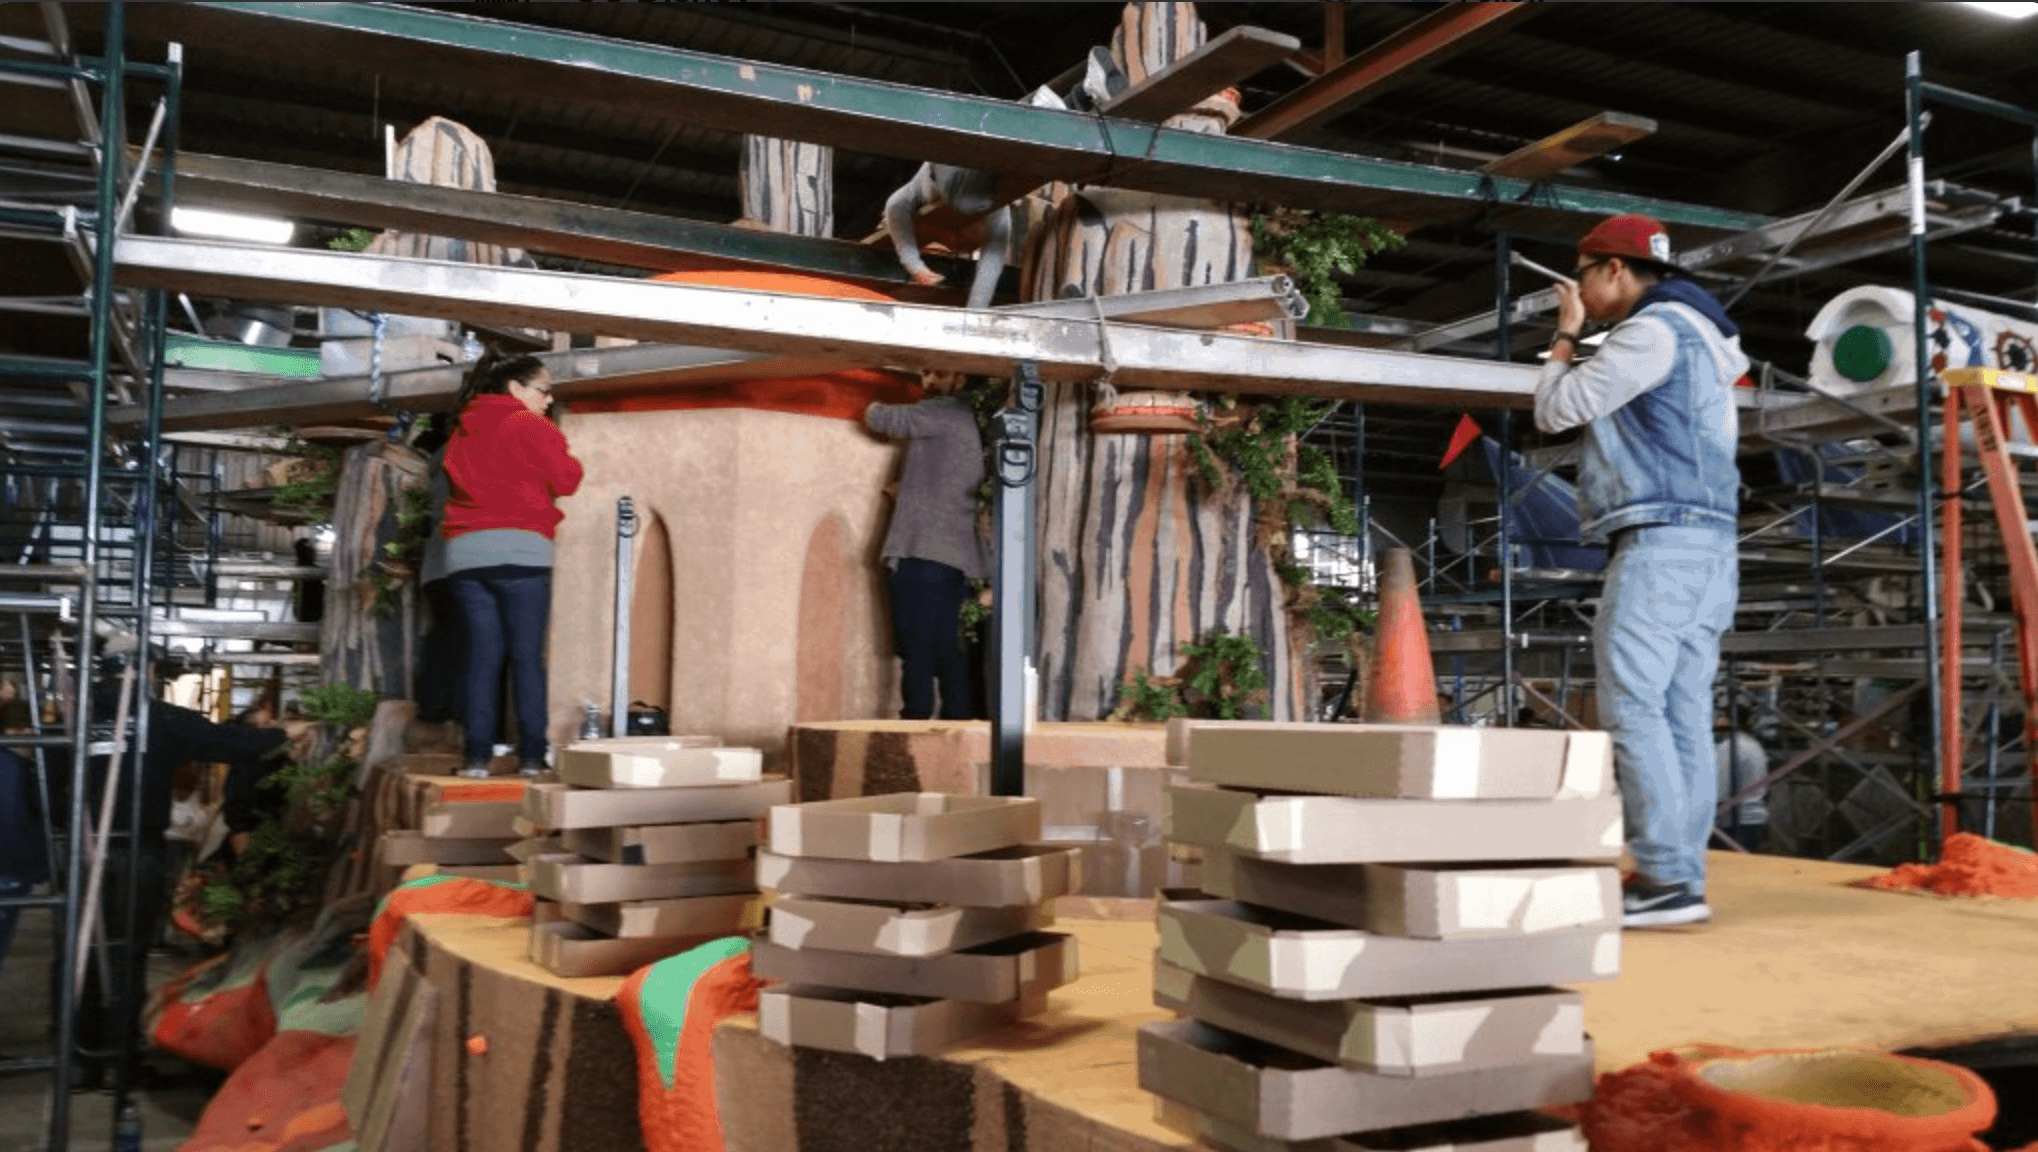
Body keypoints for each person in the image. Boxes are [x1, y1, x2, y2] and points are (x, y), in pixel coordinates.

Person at [1534, 214, 1745, 929]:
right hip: (1710, 546)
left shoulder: (1650, 332)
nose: (1582, 289)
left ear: (1614, 270)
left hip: (1662, 543)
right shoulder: (1704, 336)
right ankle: (1678, 877)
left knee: (1631, 707)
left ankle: (1664, 876)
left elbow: (1556, 410)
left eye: (1584, 276)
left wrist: (1566, 335)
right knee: (1683, 712)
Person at [441, 351, 583, 777]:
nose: (548, 399)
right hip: (521, 550)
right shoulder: (529, 425)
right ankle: (533, 757)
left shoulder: (462, 431)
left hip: (465, 555)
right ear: (515, 387)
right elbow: (567, 480)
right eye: (543, 390)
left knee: (482, 658)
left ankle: (476, 758)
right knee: (525, 658)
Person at [864, 369, 989, 721]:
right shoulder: (974, 422)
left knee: (917, 647)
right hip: (955, 558)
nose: (928, 380)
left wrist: (871, 398)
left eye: (938, 373)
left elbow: (881, 418)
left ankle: (915, 723)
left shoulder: (945, 411)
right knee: (946, 649)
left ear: (960, 379)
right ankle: (957, 723)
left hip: (924, 551)